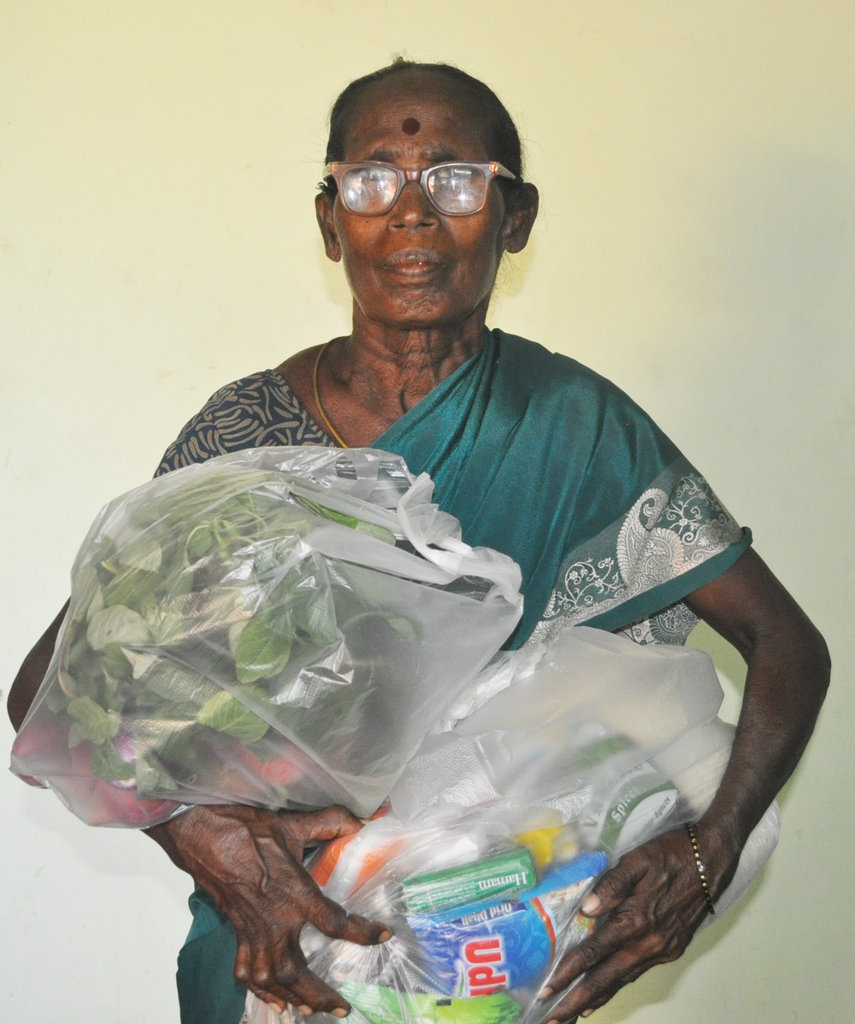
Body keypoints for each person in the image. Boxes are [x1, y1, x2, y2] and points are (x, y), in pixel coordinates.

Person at [9, 60, 829, 1024]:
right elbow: (55, 693)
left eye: (452, 179)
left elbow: (788, 648)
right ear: (330, 220)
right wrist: (200, 836)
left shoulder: (575, 425)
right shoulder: (247, 437)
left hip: (483, 964)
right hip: (269, 958)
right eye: (371, 180)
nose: (410, 211)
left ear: (513, 217)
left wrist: (705, 855)